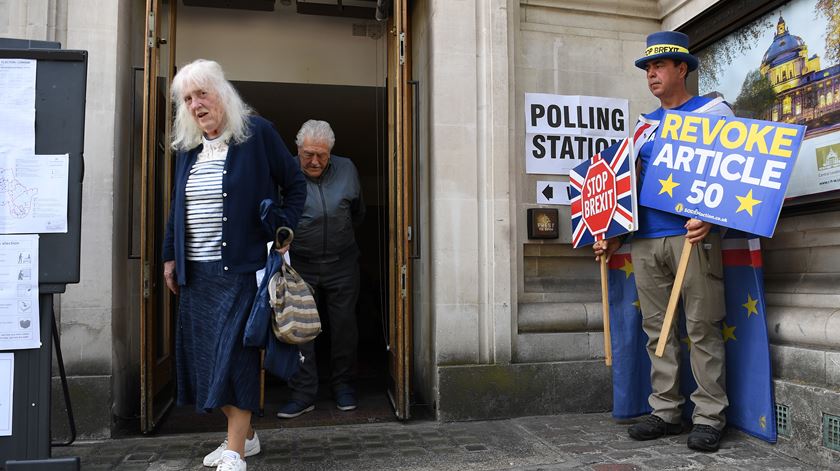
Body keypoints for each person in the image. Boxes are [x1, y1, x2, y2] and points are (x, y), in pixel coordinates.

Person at [162, 59, 306, 471]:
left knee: (237, 357)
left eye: (202, 93)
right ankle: (246, 436)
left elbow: (294, 185)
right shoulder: (190, 149)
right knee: (206, 359)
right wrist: (170, 258)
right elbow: (178, 207)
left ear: (222, 93)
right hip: (197, 272)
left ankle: (235, 451)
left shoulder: (257, 134)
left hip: (242, 269)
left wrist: (283, 230)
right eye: (188, 99)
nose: (196, 104)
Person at [594, 31, 734, 452]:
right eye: (647, 68)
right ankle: (665, 411)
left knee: (702, 326)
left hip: (691, 238)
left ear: (682, 69)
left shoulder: (714, 113)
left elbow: (734, 172)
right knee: (657, 329)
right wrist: (610, 234)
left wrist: (712, 219)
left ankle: (709, 416)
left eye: (658, 66)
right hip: (645, 240)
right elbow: (623, 186)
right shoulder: (641, 128)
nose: (651, 74)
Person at [276, 119, 365, 418]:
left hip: (342, 262)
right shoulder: (284, 171)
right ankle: (303, 394)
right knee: (300, 330)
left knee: (344, 327)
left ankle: (343, 386)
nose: (315, 161)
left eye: (322, 155)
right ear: (297, 149)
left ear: (331, 152)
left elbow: (357, 212)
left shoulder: (348, 169)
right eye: (308, 154)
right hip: (300, 264)